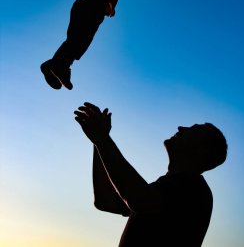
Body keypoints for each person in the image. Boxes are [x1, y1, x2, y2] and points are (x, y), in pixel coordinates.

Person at [74, 102, 228, 247]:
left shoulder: (194, 190)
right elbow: (104, 201)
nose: (181, 128)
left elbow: (139, 199)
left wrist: (102, 139)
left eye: (192, 130)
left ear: (202, 150)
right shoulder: (165, 188)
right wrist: (98, 142)